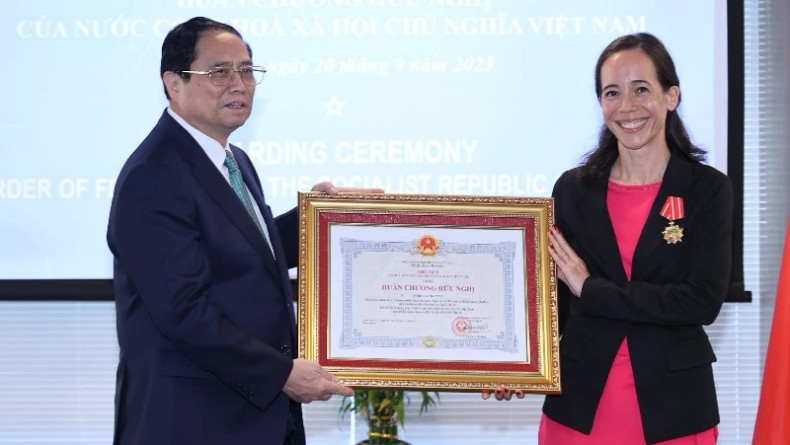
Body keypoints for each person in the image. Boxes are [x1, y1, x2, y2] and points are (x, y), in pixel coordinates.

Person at [106, 17, 364, 445]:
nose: (240, 84)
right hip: (193, 419)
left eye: (247, 70)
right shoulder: (153, 175)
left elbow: (243, 253)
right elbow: (183, 309)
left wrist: (316, 221)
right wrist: (280, 373)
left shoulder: (233, 159)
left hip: (251, 417)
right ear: (174, 82)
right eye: (219, 72)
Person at [484, 33, 733, 444]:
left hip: (674, 410)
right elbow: (553, 301)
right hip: (580, 406)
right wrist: (518, 364)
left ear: (671, 96)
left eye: (642, 90)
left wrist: (591, 289)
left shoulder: (708, 190)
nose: (628, 107)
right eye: (612, 93)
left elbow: (701, 301)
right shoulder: (573, 189)